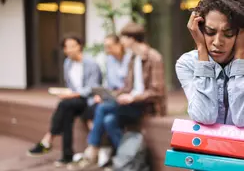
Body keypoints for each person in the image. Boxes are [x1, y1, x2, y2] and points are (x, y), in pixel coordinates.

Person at [175, 0, 244, 170]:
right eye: (210, 32)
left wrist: (241, 54)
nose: (217, 42)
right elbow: (205, 116)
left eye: (228, 33)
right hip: (207, 158)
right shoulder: (187, 63)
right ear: (199, 30)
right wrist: (202, 50)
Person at [75, 22, 166, 169]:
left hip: (146, 105)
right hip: (132, 102)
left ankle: (92, 148)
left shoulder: (154, 57)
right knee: (109, 121)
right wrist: (111, 95)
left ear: (132, 39)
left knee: (103, 109)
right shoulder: (132, 58)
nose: (121, 41)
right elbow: (128, 87)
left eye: (123, 37)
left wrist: (132, 98)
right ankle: (124, 161)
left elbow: (157, 92)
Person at [27, 35, 102, 167]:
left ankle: (48, 140)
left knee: (64, 105)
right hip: (73, 101)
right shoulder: (67, 63)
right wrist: (67, 93)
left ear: (80, 46)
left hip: (88, 100)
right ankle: (67, 155)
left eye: (73, 46)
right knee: (66, 113)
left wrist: (72, 95)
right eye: (67, 47)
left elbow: (92, 88)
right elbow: (71, 86)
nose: (70, 50)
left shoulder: (91, 64)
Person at [82, 34, 133, 130]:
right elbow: (108, 83)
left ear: (119, 45)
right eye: (105, 47)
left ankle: (93, 142)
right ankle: (95, 139)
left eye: (109, 47)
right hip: (111, 95)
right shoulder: (109, 60)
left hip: (125, 96)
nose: (107, 50)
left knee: (102, 110)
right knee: (91, 111)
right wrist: (101, 95)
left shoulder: (130, 59)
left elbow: (129, 85)